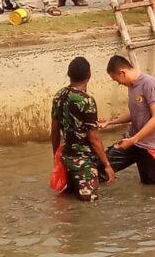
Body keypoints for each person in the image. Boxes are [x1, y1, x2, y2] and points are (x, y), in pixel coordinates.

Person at [51, 57, 115, 201]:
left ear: (69, 74)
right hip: (84, 163)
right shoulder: (86, 100)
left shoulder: (59, 96)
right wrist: (107, 165)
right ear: (89, 75)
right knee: (89, 204)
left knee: (69, 199)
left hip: (66, 158)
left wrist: (56, 156)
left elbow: (54, 130)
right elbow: (94, 139)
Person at [99, 55, 155, 185]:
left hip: (151, 147)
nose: (119, 83)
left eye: (116, 80)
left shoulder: (149, 83)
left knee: (152, 188)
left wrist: (133, 140)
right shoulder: (132, 87)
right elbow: (134, 113)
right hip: (134, 142)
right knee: (100, 166)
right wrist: (110, 122)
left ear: (122, 72)